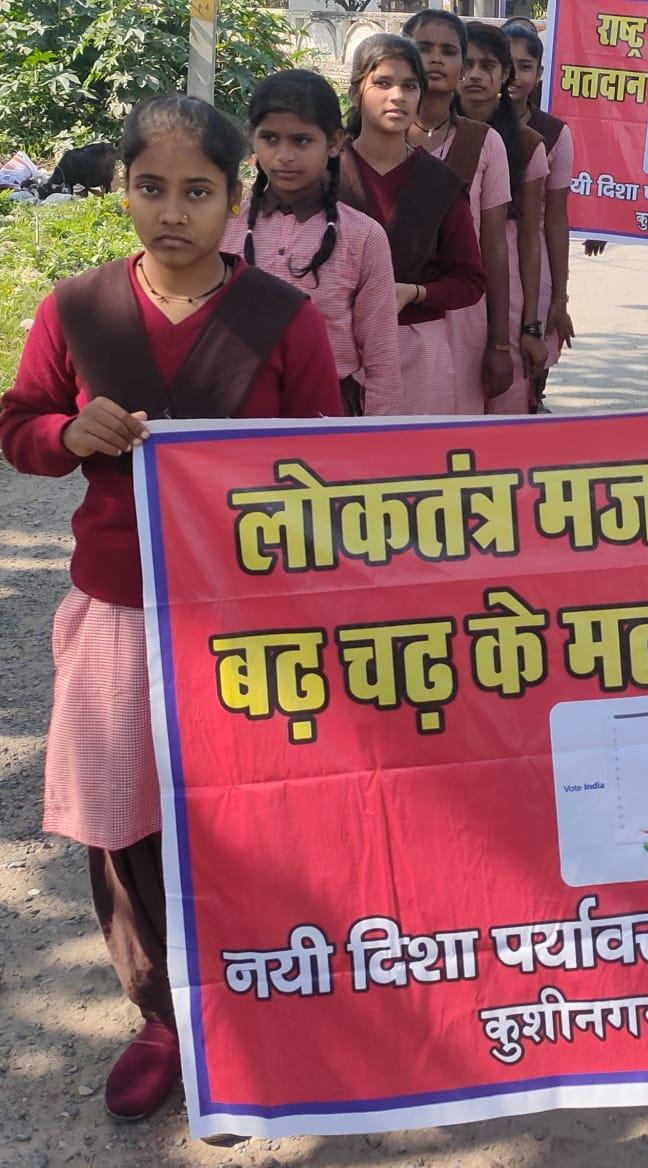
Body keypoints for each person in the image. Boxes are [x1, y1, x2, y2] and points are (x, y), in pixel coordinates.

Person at [0, 94, 341, 1123]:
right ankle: (162, 1014)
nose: (173, 211)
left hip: (247, 616)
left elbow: (326, 463)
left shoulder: (283, 317)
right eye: (152, 188)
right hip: (121, 602)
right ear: (123, 190)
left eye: (198, 191)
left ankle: (260, 991)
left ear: (235, 199)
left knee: (251, 812)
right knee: (124, 814)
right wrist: (67, 433)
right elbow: (18, 426)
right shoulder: (78, 309)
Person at [223, 69, 400, 417]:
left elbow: (381, 359)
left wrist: (379, 438)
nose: (284, 155)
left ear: (334, 142)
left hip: (327, 414)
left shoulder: (364, 236)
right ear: (252, 138)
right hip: (234, 412)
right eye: (269, 139)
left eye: (301, 141)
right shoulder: (224, 225)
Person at [336, 35, 484, 415]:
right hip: (335, 346)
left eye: (410, 86)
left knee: (413, 452)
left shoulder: (440, 183)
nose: (397, 96)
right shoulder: (326, 174)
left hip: (417, 349)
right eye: (383, 83)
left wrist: (414, 293)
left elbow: (470, 281)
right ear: (355, 92)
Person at [404, 10, 514, 411]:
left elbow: (494, 247)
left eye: (449, 52)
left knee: (455, 430)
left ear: (461, 66)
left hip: (464, 317)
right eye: (423, 48)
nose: (436, 59)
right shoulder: (378, 135)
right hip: (394, 317)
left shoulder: (483, 142)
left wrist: (500, 343)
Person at [458, 21, 548, 415]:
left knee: (503, 406)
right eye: (467, 64)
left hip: (506, 285)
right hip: (451, 289)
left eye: (487, 65)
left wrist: (531, 325)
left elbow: (530, 238)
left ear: (504, 74)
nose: (475, 75)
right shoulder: (424, 137)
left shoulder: (527, 145)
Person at [506, 20, 575, 409]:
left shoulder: (553, 133)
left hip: (533, 260)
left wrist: (560, 298)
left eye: (525, 66)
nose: (515, 76)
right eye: (507, 65)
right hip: (478, 257)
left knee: (528, 366)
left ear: (539, 73)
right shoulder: (464, 125)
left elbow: (556, 219)